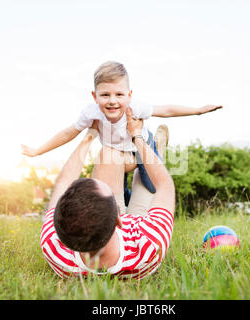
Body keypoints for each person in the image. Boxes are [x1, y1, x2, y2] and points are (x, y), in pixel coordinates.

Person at [23, 61, 222, 212]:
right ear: (94, 96)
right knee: (115, 176)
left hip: (141, 150)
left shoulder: (136, 107)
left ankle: (158, 146)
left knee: (149, 188)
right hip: (118, 154)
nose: (112, 101)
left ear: (129, 95)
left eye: (119, 95)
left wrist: (197, 111)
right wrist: (38, 151)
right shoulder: (91, 112)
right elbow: (68, 132)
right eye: (105, 95)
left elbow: (166, 110)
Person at [40, 107, 175, 279]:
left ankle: (129, 157)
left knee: (109, 153)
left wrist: (90, 134)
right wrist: (137, 136)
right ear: (119, 219)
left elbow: (63, 183)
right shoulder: (150, 243)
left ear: (59, 225)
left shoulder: (52, 246)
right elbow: (165, 185)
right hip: (138, 226)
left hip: (108, 230)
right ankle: (153, 149)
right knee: (144, 178)